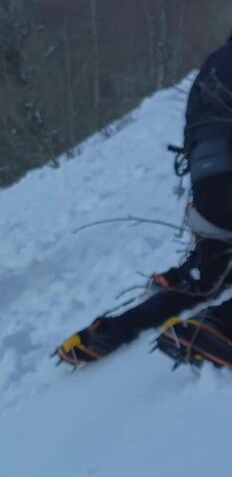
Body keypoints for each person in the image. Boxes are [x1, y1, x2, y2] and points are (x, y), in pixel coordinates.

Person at [56, 34, 232, 368]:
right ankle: (218, 326)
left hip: (207, 194)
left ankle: (111, 331)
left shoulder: (212, 66)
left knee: (210, 276)